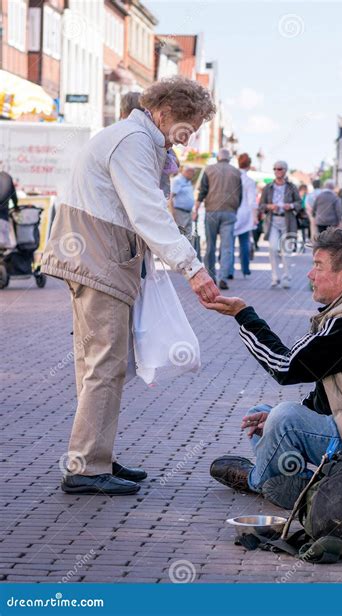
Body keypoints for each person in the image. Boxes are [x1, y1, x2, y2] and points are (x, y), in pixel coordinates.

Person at [42, 77, 219, 496]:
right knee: (105, 363)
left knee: (97, 364)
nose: (187, 137)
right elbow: (147, 212)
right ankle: (86, 465)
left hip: (94, 255)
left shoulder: (134, 137)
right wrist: (192, 267)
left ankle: (93, 456)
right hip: (99, 258)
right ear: (163, 113)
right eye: (186, 127)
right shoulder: (134, 142)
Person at [202, 229, 342, 509]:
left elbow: (285, 368)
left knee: (284, 418)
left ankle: (257, 480)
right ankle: (308, 481)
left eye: (318, 266)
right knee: (265, 414)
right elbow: (333, 390)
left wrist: (243, 316)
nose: (309, 275)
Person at [193, 148, 242, 290]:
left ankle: (211, 276)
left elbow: (203, 191)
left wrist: (196, 209)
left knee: (210, 245)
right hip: (229, 212)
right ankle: (224, 276)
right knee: (227, 247)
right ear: (229, 158)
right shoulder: (236, 172)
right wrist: (234, 208)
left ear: (218, 158)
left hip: (212, 211)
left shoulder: (209, 170)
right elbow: (240, 195)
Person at [259, 161, 301, 288]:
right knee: (272, 249)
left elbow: (299, 203)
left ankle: (287, 277)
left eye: (280, 169)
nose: (277, 171)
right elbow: (261, 206)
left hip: (287, 221)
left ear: (285, 170)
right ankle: (275, 277)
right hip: (273, 221)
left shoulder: (292, 187)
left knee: (286, 250)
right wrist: (270, 206)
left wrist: (291, 205)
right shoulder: (268, 187)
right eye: (275, 169)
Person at [229, 153, 257, 278]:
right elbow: (252, 201)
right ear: (249, 166)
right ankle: (245, 269)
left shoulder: (231, 177)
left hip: (232, 211)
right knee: (244, 242)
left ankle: (229, 270)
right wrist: (255, 216)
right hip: (245, 213)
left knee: (229, 242)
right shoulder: (250, 181)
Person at [170, 166, 195, 239]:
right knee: (180, 235)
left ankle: (187, 250)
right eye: (193, 173)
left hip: (188, 212)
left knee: (188, 236)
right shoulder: (177, 180)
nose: (193, 175)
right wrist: (173, 213)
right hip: (179, 212)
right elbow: (171, 198)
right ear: (188, 172)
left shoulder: (188, 181)